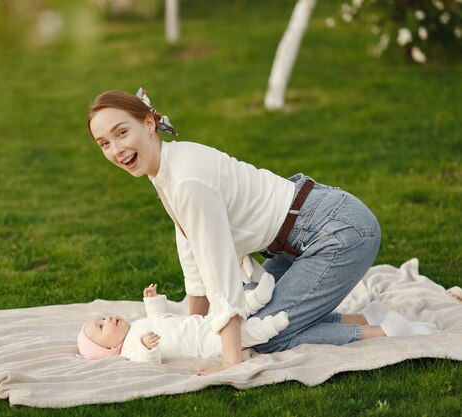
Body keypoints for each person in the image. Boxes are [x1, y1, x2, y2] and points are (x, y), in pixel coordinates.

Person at [87, 88, 438, 375]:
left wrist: (230, 360)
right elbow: (190, 244)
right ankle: (367, 315)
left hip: (339, 232)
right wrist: (196, 324)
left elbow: (218, 264)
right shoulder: (166, 168)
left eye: (122, 132)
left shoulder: (186, 177)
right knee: (254, 319)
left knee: (264, 337)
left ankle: (383, 330)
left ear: (149, 123)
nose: (116, 149)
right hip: (299, 234)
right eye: (104, 143)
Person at [77, 282, 289, 363]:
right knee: (239, 335)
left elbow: (157, 319)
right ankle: (271, 326)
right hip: (200, 346)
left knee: (225, 312)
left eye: (103, 318)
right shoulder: (130, 350)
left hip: (198, 324)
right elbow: (148, 364)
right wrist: (146, 347)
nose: (108, 319)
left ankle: (255, 299)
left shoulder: (137, 326)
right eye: (102, 326)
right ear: (109, 348)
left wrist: (152, 301)